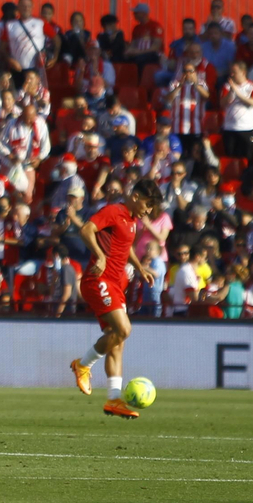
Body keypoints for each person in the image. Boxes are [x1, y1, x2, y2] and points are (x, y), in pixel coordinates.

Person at [70, 179, 164, 419]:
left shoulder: (132, 222)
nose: (149, 210)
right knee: (124, 330)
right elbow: (86, 230)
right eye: (147, 203)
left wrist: (139, 268)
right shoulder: (114, 211)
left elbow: (125, 246)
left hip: (116, 284)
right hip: (98, 280)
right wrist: (99, 255)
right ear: (135, 196)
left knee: (117, 342)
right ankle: (83, 364)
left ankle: (114, 399)